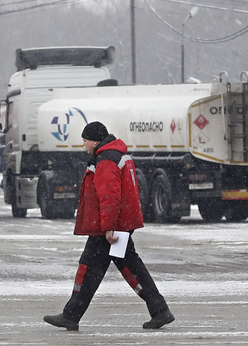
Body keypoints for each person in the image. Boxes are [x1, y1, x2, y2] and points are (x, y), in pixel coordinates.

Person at [44, 121, 174, 331]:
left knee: (89, 268)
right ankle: (159, 310)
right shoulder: (116, 155)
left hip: (109, 227)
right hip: (118, 224)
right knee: (126, 265)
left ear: (95, 140)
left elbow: (109, 196)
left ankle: (71, 315)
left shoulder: (105, 160)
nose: (84, 145)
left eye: (85, 140)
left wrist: (108, 227)